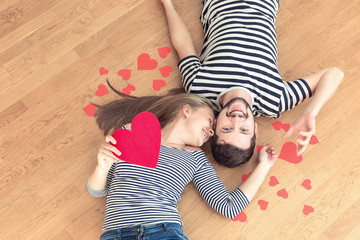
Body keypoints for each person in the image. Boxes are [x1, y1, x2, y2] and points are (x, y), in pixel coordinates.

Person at [160, 0, 344, 167]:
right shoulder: (275, 100)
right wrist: (311, 112)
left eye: (227, 128)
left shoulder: (199, 88)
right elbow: (334, 74)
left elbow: (183, 44)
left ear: (214, 125)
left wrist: (167, 4)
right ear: (255, 130)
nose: (237, 118)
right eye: (244, 129)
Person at [87, 83, 278, 240]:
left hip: (162, 233)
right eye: (211, 121)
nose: (211, 132)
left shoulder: (195, 158)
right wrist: (103, 166)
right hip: (115, 235)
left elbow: (228, 207)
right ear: (187, 110)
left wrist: (264, 165)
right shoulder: (130, 132)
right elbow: (98, 191)